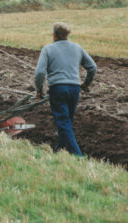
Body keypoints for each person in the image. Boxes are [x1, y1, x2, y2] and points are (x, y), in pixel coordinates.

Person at [34, 22, 97, 156]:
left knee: (63, 122)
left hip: (58, 89)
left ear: (54, 35)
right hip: (75, 89)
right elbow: (92, 68)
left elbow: (39, 73)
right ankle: (60, 149)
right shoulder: (77, 48)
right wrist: (85, 85)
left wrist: (39, 90)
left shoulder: (48, 49)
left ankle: (78, 157)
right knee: (66, 122)